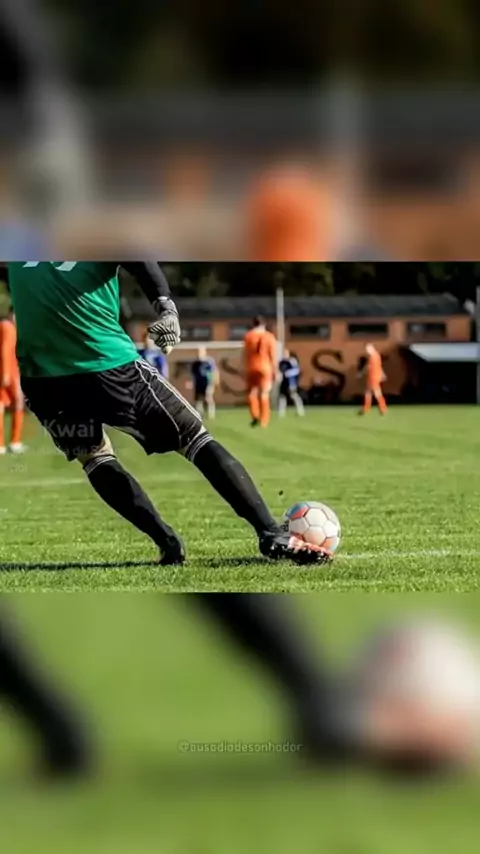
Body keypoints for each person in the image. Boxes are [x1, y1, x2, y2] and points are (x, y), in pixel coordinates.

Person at [7, 262, 331, 566]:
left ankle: (167, 542)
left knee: (94, 457)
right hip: (107, 365)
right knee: (194, 437)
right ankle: (270, 533)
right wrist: (166, 306)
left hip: (43, 379)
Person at [0, 309, 26, 454]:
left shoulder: (12, 328)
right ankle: (11, 443)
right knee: (10, 404)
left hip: (12, 372)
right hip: (7, 373)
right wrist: (5, 373)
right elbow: (4, 350)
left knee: (14, 404)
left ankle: (11, 443)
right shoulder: (7, 327)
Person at [244, 316, 277, 428]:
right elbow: (272, 355)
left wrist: (244, 367)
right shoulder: (269, 336)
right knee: (264, 393)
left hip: (251, 367)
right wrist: (275, 370)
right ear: (264, 324)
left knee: (251, 393)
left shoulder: (248, 336)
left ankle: (255, 415)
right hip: (265, 368)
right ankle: (264, 420)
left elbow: (245, 353)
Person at [359, 343, 388, 416]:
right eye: (367, 349)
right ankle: (367, 408)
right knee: (368, 392)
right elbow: (377, 366)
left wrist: (361, 373)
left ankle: (382, 408)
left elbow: (370, 367)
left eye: (368, 349)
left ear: (372, 348)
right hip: (372, 377)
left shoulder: (374, 356)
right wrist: (382, 374)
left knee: (376, 392)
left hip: (374, 377)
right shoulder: (375, 356)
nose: (367, 351)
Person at [189, 346, 218, 419]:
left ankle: (211, 414)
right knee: (198, 399)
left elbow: (214, 371)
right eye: (197, 352)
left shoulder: (208, 362)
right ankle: (199, 415)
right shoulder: (195, 363)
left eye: (200, 352)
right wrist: (191, 382)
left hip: (207, 383)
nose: (199, 354)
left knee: (208, 397)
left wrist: (213, 381)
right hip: (198, 383)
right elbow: (192, 374)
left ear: (204, 352)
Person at [278, 350, 305, 418]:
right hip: (284, 382)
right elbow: (279, 370)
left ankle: (300, 410)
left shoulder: (292, 361)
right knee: (282, 396)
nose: (284, 355)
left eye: (285, 353)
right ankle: (281, 412)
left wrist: (289, 373)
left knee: (293, 395)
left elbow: (297, 370)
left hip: (291, 382)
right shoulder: (281, 362)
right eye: (283, 353)